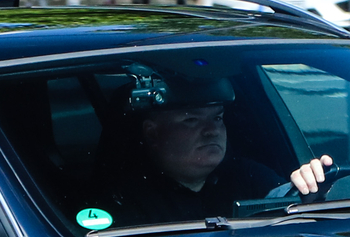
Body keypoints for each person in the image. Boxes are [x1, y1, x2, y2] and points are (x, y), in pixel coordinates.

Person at [102, 73, 337, 227]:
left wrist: (312, 190)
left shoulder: (248, 176)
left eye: (217, 118)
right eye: (191, 120)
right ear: (152, 133)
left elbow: (285, 204)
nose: (211, 131)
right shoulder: (120, 199)